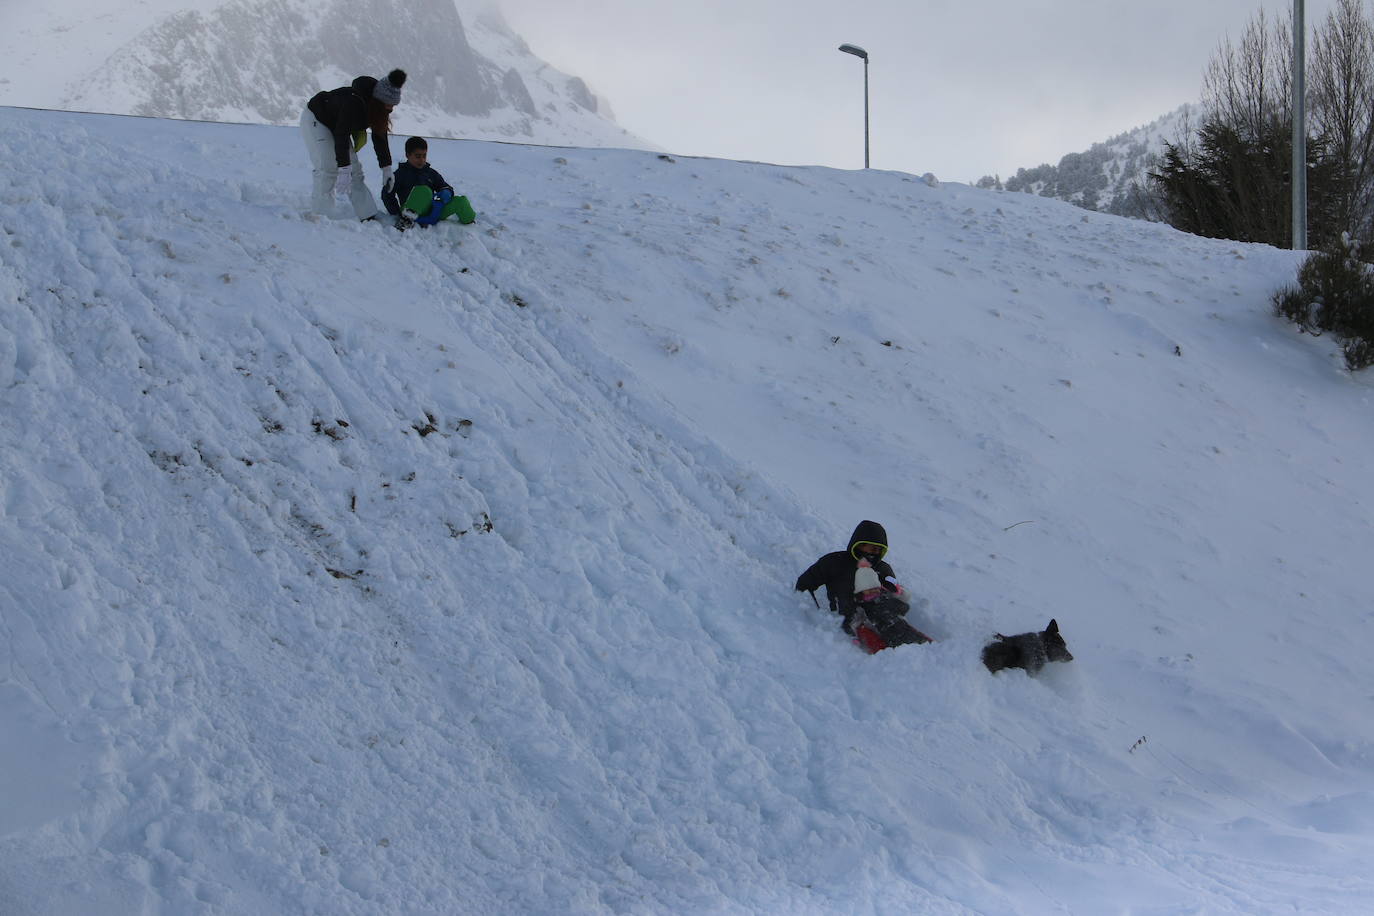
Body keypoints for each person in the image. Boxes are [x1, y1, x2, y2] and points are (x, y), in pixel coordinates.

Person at [301, 69, 407, 221]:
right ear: (378, 101)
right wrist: (344, 168)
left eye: (393, 105)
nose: (391, 109)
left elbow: (380, 136)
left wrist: (386, 168)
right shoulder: (354, 102)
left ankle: (368, 214)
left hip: (337, 126)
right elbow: (341, 136)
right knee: (327, 168)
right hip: (317, 119)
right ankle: (320, 215)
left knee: (355, 172)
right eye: (389, 105)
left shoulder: (379, 109)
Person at [795, 520, 896, 634]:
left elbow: (894, 588)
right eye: (873, 549)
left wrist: (886, 589)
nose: (876, 553)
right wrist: (813, 615)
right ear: (860, 545)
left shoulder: (882, 568)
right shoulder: (835, 562)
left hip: (882, 617)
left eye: (879, 550)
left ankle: (907, 639)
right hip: (846, 617)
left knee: (889, 616)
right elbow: (804, 584)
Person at [382, 136, 476, 231]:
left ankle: (471, 225)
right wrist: (396, 213)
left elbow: (444, 186)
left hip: (433, 211)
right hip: (410, 213)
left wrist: (446, 192)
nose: (422, 160)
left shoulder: (430, 173)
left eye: (424, 156)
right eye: (418, 156)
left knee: (461, 201)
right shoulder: (400, 174)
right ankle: (405, 222)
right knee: (424, 191)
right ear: (408, 155)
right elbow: (387, 194)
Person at [848, 560, 931, 653]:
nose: (873, 591)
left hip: (899, 624)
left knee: (916, 638)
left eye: (875, 588)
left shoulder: (885, 594)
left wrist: (900, 591)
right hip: (880, 630)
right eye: (868, 589)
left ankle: (931, 646)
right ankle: (886, 655)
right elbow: (856, 622)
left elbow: (905, 598)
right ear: (860, 590)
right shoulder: (861, 604)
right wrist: (856, 636)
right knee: (877, 641)